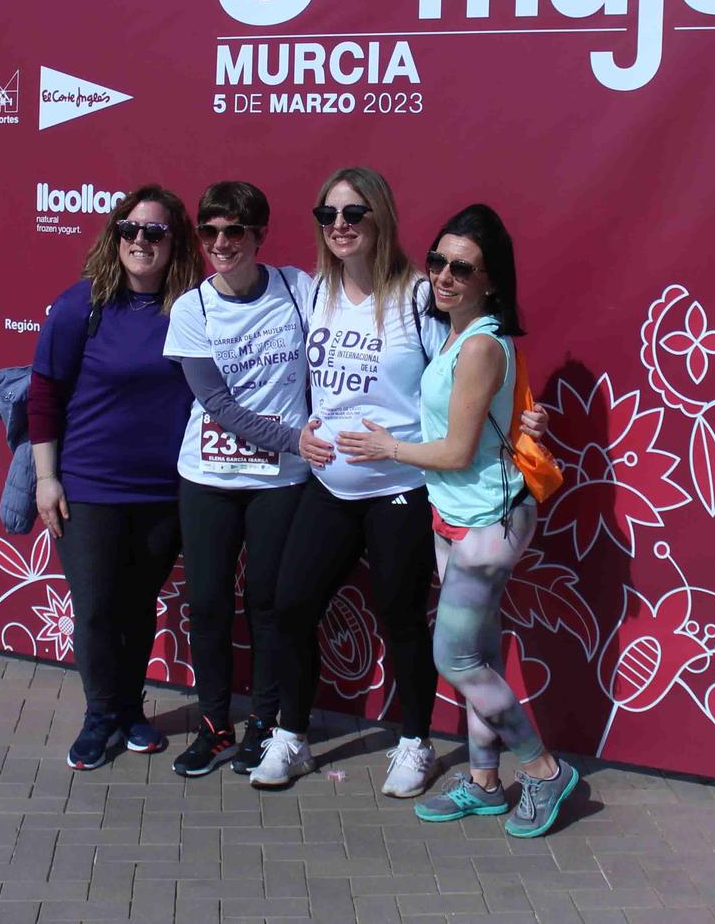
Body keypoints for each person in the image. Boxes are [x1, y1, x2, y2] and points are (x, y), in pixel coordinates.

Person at [336, 204, 580, 838]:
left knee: (454, 655)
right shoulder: (452, 332)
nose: (443, 276)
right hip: (456, 516)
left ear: (490, 279)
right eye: (438, 262)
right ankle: (483, 782)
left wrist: (385, 447)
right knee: (479, 652)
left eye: (461, 268)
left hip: (487, 523)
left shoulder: (477, 344)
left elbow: (455, 452)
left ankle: (544, 770)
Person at [249, 166, 445, 797]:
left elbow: (463, 376)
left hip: (399, 487)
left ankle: (415, 743)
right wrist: (299, 429)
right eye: (327, 216)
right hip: (329, 483)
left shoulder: (418, 296)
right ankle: (293, 736)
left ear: (380, 217)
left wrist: (519, 414)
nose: (339, 226)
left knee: (402, 617)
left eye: (353, 214)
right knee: (289, 605)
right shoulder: (313, 292)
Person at [29, 185, 201, 770]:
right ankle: (100, 714)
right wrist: (46, 478)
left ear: (173, 242)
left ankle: (130, 710)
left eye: (153, 232)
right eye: (129, 229)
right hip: (91, 486)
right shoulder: (83, 306)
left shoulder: (194, 308)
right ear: (114, 235)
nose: (139, 241)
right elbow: (45, 395)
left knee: (137, 604)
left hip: (165, 491)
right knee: (98, 606)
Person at [163, 181, 315, 777]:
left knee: (270, 605)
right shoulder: (192, 308)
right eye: (210, 232)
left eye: (235, 232)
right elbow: (218, 404)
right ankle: (214, 724)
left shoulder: (298, 289)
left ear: (259, 236)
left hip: (282, 480)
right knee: (206, 604)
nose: (221, 244)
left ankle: (266, 726)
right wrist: (294, 437)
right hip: (208, 477)